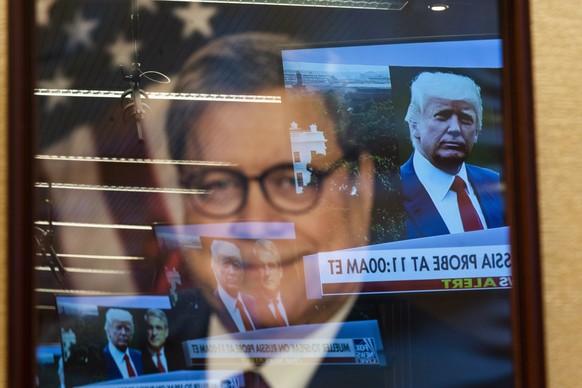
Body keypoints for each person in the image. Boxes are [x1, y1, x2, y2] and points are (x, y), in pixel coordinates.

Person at [165, 33, 513, 387]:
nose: (257, 223)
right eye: (216, 186)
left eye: (294, 179)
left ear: (360, 189)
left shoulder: (454, 355)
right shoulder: (167, 342)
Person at [400, 71, 505, 238]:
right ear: (414, 126)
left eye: (466, 119)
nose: (455, 129)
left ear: (476, 132)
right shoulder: (389, 193)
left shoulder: (497, 184)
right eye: (442, 116)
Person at [210, 239, 261, 333]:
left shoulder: (254, 303)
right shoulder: (208, 308)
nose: (232, 272)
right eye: (225, 264)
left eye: (237, 264)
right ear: (214, 266)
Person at [253, 239, 289, 327]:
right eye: (261, 266)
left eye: (271, 266)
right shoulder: (251, 312)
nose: (267, 273)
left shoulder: (294, 303)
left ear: (280, 271)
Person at [102, 308, 143, 379]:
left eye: (127, 329)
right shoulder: (100, 359)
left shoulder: (139, 356)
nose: (123, 333)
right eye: (118, 328)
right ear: (108, 331)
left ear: (132, 333)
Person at [142, 308, 184, 374]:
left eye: (158, 328)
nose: (154, 333)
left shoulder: (178, 357)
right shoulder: (138, 360)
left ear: (166, 332)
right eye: (150, 328)